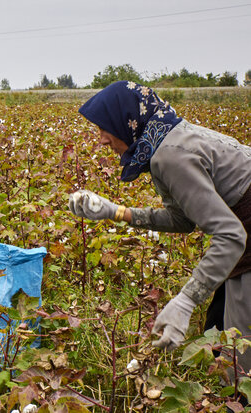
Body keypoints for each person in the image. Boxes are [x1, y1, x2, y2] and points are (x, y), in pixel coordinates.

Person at [68, 81, 251, 385]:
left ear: (125, 121)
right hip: (246, 240)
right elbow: (184, 219)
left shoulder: (170, 155)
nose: (100, 140)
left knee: (240, 363)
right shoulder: (166, 138)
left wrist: (186, 300)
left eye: (103, 128)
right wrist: (116, 212)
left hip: (246, 242)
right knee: (220, 334)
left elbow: (230, 235)